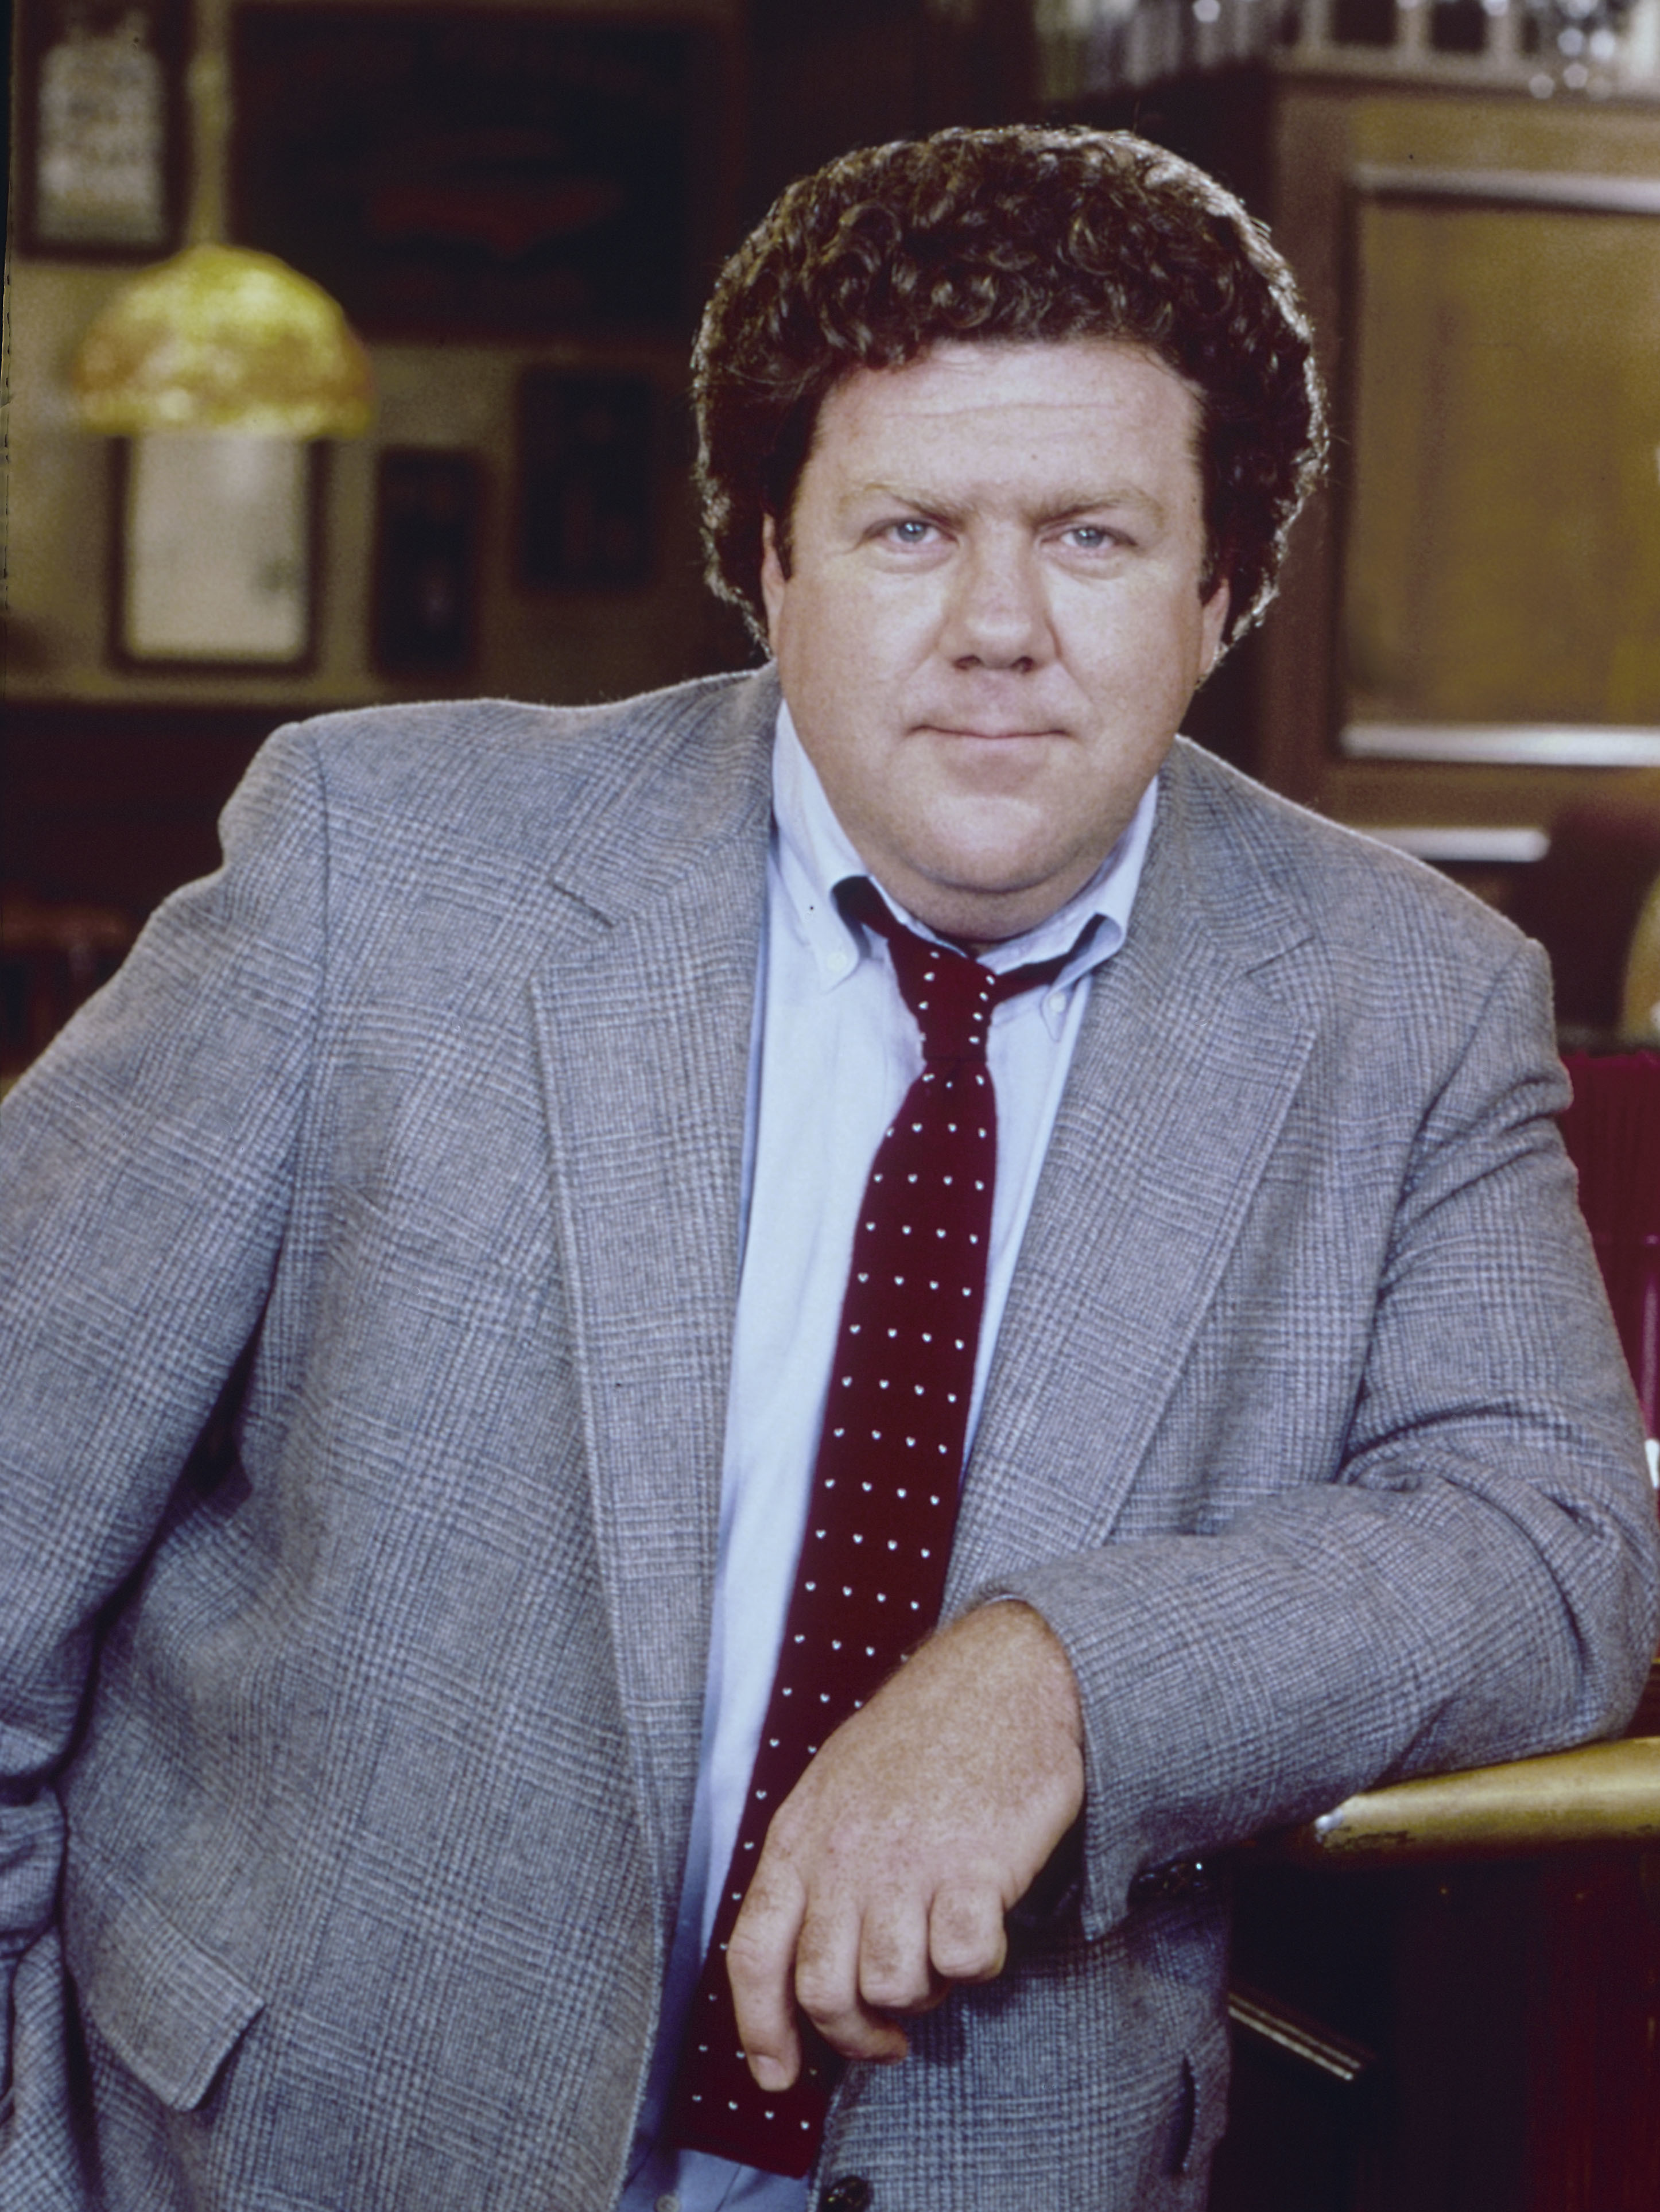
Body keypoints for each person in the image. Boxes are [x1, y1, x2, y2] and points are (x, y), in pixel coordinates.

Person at [1, 125, 1654, 2212]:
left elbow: (1555, 1541)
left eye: (1090, 537)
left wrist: (1060, 1678)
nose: (994, 626)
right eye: (903, 529)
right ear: (764, 560)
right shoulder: (375, 876)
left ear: (1222, 587)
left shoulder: (1407, 999)